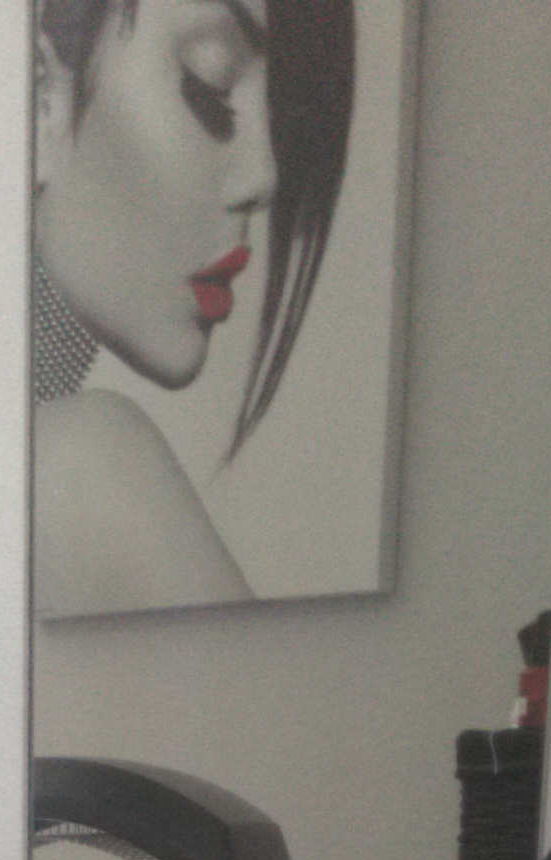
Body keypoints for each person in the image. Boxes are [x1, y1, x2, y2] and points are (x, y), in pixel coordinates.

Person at [34, 0, 357, 616]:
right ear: (39, 94)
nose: (265, 177)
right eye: (212, 86)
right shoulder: (83, 462)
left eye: (280, 118)